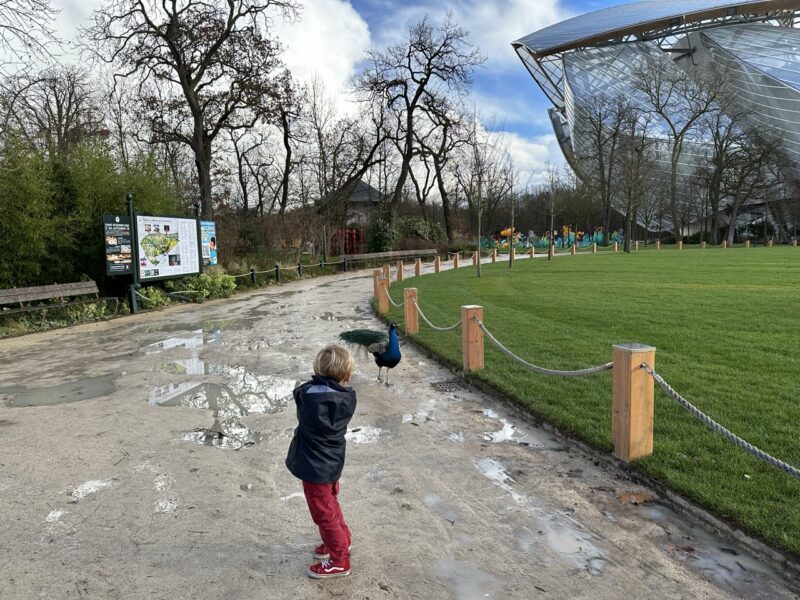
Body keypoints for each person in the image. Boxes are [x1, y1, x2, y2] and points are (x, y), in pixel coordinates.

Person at [286, 344, 357, 579]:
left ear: (318, 368)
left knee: (323, 514)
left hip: (314, 469)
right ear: (346, 374)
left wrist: (319, 378)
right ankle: (341, 540)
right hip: (332, 464)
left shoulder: (307, 396)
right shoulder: (347, 398)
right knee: (331, 504)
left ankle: (339, 561)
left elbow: (300, 391)